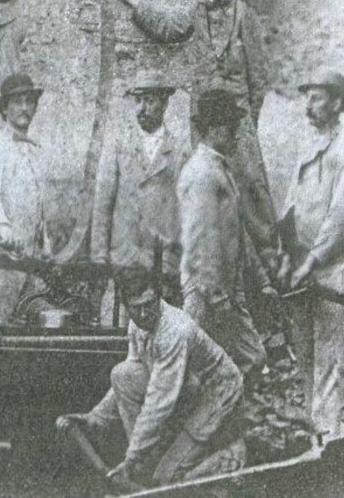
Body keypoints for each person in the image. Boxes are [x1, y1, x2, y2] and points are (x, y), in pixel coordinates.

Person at [119, 0, 278, 284]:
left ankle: (270, 270)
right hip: (204, 121)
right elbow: (167, 25)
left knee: (251, 186)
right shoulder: (194, 12)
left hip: (237, 119)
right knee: (205, 185)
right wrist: (136, 4)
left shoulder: (245, 16)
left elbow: (260, 75)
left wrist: (248, 119)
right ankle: (210, 267)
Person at [56, 265, 245, 489]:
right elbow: (126, 379)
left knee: (165, 479)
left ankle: (229, 457)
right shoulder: (138, 325)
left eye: (149, 305)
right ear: (127, 306)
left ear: (158, 297)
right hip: (187, 385)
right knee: (122, 374)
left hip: (217, 392)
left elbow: (160, 402)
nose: (144, 314)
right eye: (136, 308)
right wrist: (95, 418)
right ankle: (146, 461)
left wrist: (131, 458)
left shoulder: (175, 330)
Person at [278, 69, 344, 438]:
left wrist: (312, 262)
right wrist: (287, 255)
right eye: (307, 98)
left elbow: (340, 217)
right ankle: (313, 441)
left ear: (336, 102)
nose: (309, 105)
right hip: (301, 269)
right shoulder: (306, 147)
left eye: (316, 98)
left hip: (332, 271)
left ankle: (327, 443)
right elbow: (290, 206)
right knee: (306, 360)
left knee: (330, 364)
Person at [177, 89, 268, 379]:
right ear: (215, 129)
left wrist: (262, 281)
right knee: (190, 367)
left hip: (226, 287)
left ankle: (220, 416)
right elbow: (199, 241)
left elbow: (236, 231)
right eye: (232, 128)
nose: (237, 136)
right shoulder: (202, 173)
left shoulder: (218, 168)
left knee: (249, 358)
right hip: (205, 292)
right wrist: (216, 297)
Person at [92, 71, 188, 317]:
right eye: (138, 100)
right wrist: (100, 257)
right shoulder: (118, 146)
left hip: (162, 266)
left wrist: (175, 259)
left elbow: (184, 213)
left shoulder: (177, 151)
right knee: (115, 330)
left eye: (150, 101)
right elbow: (103, 204)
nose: (142, 108)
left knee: (160, 333)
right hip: (123, 260)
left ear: (165, 103)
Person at [0, 73, 48, 322]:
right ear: (5, 108)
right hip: (1, 258)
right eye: (17, 102)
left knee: (29, 330)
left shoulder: (36, 151)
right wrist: (3, 228)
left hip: (30, 260)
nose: (25, 108)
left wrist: (45, 243)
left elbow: (39, 203)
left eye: (29, 101)